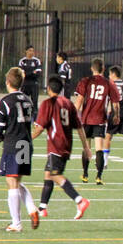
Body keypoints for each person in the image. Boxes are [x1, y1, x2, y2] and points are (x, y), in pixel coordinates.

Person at [0, 67, 40, 232]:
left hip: (13, 145)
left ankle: (16, 223)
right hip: (26, 144)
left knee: (11, 182)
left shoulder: (4, 101)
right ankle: (31, 209)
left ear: (7, 82)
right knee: (16, 181)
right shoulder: (28, 100)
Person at [32, 76, 91, 220]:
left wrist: (28, 137)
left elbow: (39, 128)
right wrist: (86, 147)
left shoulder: (47, 103)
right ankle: (42, 208)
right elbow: (79, 127)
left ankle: (79, 200)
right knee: (48, 174)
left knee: (54, 174)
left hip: (55, 145)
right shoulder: (68, 104)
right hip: (66, 144)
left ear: (49, 89)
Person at [72, 58, 120, 184]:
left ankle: (85, 174)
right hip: (100, 119)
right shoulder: (108, 83)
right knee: (99, 148)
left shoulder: (85, 81)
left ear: (92, 69)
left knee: (86, 147)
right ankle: (98, 177)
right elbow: (115, 104)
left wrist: (72, 115)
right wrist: (117, 115)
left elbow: (79, 101)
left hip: (86, 119)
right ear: (103, 69)